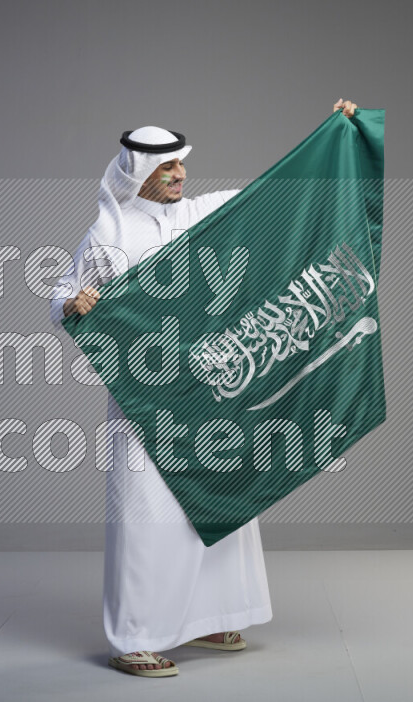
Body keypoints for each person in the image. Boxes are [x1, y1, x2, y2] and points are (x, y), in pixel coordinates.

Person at [50, 100, 359, 678]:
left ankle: (215, 618)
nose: (180, 174)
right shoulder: (109, 233)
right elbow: (65, 293)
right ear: (139, 172)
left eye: (180, 165)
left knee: (220, 498)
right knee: (148, 513)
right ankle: (134, 638)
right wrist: (73, 303)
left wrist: (333, 133)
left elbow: (276, 195)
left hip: (211, 388)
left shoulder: (201, 214)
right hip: (146, 395)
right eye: (167, 167)